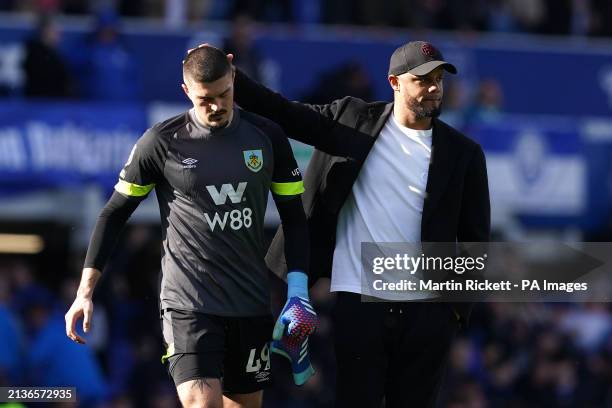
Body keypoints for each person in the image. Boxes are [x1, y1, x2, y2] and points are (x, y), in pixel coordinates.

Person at [230, 40, 491, 407]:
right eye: (423, 79)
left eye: (439, 79)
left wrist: (451, 313)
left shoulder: (464, 153)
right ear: (395, 82)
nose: (434, 87)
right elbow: (285, 113)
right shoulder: (353, 120)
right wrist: (234, 81)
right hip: (360, 304)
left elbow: (475, 240)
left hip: (426, 315)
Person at [65, 46, 317, 408]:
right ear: (186, 92)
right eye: (205, 100)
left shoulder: (267, 136)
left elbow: (294, 217)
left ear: (234, 78)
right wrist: (85, 291)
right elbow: (114, 213)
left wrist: (298, 291)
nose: (216, 106)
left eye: (223, 94)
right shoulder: (161, 142)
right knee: (202, 403)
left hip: (250, 302)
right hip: (189, 303)